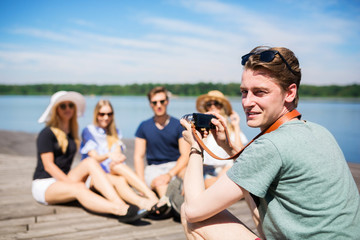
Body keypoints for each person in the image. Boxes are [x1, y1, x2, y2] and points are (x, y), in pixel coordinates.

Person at [180, 46, 360, 239]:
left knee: (192, 217)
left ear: (290, 93)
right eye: (244, 92)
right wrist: (228, 147)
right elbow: (255, 183)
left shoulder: (271, 145)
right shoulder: (319, 131)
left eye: (260, 92)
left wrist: (195, 147)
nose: (247, 102)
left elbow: (193, 210)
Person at [32, 91, 148, 223]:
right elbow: (49, 166)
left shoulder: (70, 134)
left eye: (70, 105)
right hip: (45, 184)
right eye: (62, 106)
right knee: (79, 188)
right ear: (55, 110)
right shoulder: (46, 133)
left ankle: (120, 202)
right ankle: (118, 209)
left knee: (90, 162)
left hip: (63, 179)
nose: (68, 109)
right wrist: (71, 183)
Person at [80, 99, 159, 211]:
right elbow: (94, 158)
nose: (106, 117)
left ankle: (150, 197)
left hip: (110, 171)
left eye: (109, 114)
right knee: (120, 180)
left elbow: (117, 155)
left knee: (118, 167)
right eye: (102, 114)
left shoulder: (114, 132)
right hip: (94, 175)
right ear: (96, 115)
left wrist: (117, 156)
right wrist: (108, 155)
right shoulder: (88, 131)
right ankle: (145, 201)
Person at [134, 86, 190, 211]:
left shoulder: (178, 125)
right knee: (160, 183)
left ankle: (187, 203)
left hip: (175, 166)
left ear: (167, 102)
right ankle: (173, 205)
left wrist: (170, 174)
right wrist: (141, 185)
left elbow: (185, 155)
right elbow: (138, 156)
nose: (159, 105)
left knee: (187, 174)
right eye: (155, 102)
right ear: (150, 104)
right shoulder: (143, 126)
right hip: (154, 168)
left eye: (162, 101)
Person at [196, 90, 248, 188]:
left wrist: (236, 126)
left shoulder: (231, 129)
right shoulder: (202, 129)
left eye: (216, 103)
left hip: (227, 168)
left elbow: (240, 154)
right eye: (209, 104)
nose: (213, 106)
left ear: (222, 106)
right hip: (207, 169)